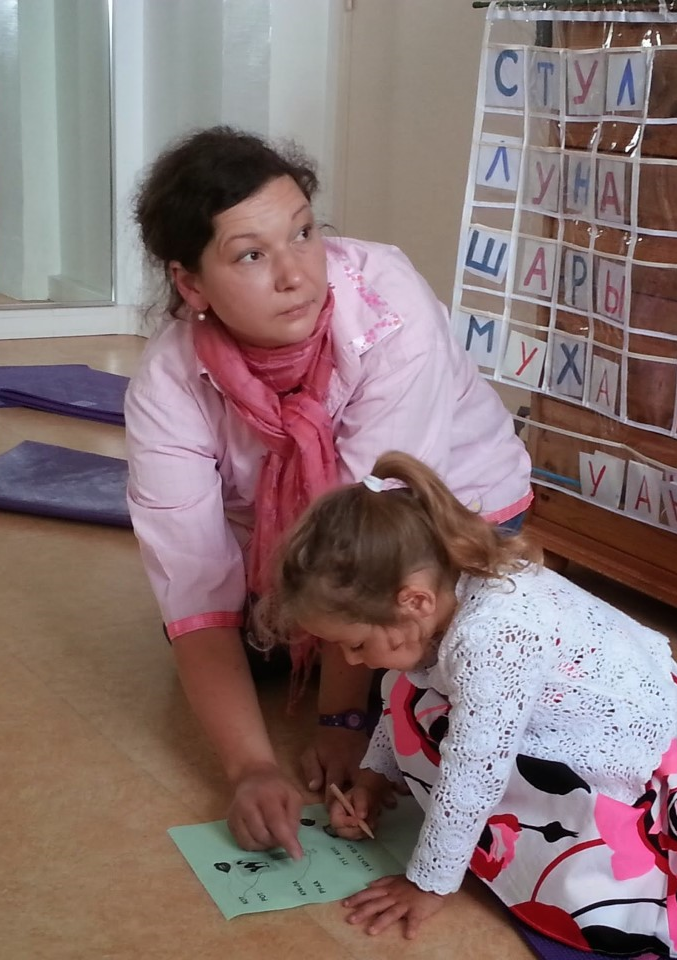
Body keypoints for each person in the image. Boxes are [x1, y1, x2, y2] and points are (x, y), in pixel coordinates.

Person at [124, 127, 533, 862]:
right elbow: (194, 586)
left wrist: (342, 721)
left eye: (304, 233)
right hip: (300, 546)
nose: (296, 274)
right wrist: (249, 769)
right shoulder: (168, 384)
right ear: (191, 285)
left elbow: (374, 537)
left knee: (462, 662)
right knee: (251, 648)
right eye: (250, 255)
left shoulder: (387, 307)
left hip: (438, 520)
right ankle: (323, 653)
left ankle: (340, 667)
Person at [258, 451, 677, 958]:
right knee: (404, 691)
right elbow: (408, 686)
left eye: (355, 644)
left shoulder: (492, 637)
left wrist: (429, 883)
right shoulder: (446, 589)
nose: (350, 661)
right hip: (609, 695)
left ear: (414, 601)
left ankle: (672, 818)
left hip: (623, 735)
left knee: (558, 869)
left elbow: (473, 776)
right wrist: (375, 777)